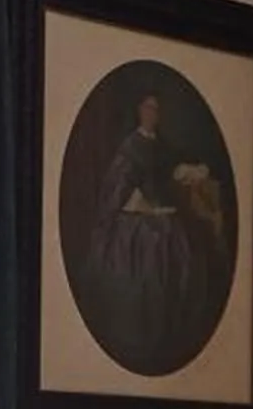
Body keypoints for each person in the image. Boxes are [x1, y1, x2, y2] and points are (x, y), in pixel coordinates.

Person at [78, 85, 232, 376]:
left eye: (156, 110)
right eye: (148, 108)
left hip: (164, 211)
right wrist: (145, 206)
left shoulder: (162, 145)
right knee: (154, 243)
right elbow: (119, 188)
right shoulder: (129, 147)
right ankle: (143, 329)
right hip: (133, 216)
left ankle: (176, 324)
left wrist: (187, 175)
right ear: (139, 111)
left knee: (185, 241)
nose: (152, 114)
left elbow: (170, 173)